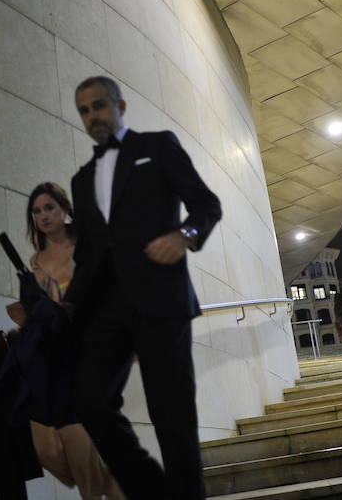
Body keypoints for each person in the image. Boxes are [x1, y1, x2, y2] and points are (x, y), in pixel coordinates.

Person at [63, 76, 222, 499]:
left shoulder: (157, 147)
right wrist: (65, 308)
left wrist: (184, 235)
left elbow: (207, 204)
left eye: (98, 106)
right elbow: (87, 256)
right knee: (90, 403)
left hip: (161, 303)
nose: (91, 116)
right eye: (83, 110)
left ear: (120, 106)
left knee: (173, 419)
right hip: (105, 311)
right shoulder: (81, 181)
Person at [0, 182, 123, 500]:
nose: (43, 215)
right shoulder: (35, 262)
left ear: (65, 209)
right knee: (47, 450)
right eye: (37, 211)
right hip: (46, 364)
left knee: (79, 446)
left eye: (49, 207)